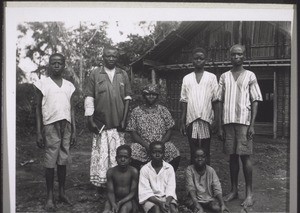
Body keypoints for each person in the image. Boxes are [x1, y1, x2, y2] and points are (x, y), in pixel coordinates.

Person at [217, 44, 263, 207]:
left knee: (245, 157)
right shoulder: (224, 76)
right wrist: (220, 126)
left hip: (244, 122)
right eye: (233, 55)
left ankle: (249, 194)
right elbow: (220, 101)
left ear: (244, 56)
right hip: (228, 122)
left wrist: (252, 125)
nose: (236, 57)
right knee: (232, 157)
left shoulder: (250, 75)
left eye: (239, 55)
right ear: (230, 57)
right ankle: (234, 190)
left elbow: (255, 100)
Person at [84, 46, 132, 189]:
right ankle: (102, 183)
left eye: (114, 56)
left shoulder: (123, 74)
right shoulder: (95, 74)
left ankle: (118, 184)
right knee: (103, 154)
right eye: (108, 56)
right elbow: (89, 97)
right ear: (103, 57)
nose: (111, 59)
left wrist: (124, 119)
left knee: (119, 154)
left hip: (118, 123)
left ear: (117, 58)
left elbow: (128, 98)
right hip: (101, 123)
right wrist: (90, 119)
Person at [34, 53, 76, 211]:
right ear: (49, 65)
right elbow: (38, 108)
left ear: (64, 65)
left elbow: (71, 109)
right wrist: (38, 132)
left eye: (60, 63)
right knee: (51, 161)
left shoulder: (69, 85)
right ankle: (50, 196)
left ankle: (62, 193)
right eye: (53, 63)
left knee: (63, 160)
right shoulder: (42, 83)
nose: (56, 65)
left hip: (66, 125)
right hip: (50, 126)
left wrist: (74, 131)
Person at [126, 84, 180, 171]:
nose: (151, 96)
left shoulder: (163, 110)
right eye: (148, 94)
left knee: (172, 150)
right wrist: (146, 145)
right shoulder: (136, 111)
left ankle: (166, 176)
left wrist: (161, 145)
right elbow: (133, 132)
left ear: (157, 96)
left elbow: (169, 129)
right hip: (143, 146)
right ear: (144, 96)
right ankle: (140, 176)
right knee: (133, 150)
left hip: (161, 145)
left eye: (154, 94)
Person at [179, 47, 218, 165]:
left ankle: (206, 178)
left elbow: (215, 100)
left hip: (207, 119)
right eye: (196, 58)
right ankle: (194, 179)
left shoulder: (211, 77)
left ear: (205, 60)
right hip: (191, 119)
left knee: (205, 150)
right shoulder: (187, 78)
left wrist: (216, 120)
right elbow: (184, 100)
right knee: (193, 150)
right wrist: (182, 121)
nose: (198, 61)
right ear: (192, 60)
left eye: (201, 58)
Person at [139, 141, 178, 213]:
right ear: (150, 153)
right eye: (154, 152)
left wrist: (167, 202)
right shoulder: (145, 169)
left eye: (160, 152)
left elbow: (171, 188)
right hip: (151, 199)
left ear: (163, 154)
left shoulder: (169, 168)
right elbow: (145, 191)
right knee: (156, 210)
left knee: (172, 210)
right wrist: (159, 203)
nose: (157, 155)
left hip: (167, 198)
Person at [185, 148, 228, 213]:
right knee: (197, 210)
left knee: (218, 208)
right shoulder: (189, 170)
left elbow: (217, 188)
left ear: (206, 158)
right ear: (193, 158)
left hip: (208, 199)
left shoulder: (211, 170)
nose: (200, 159)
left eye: (202, 157)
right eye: (196, 157)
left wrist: (222, 204)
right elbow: (190, 187)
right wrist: (197, 204)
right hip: (194, 199)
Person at [103, 145, 139, 213]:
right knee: (106, 211)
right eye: (120, 157)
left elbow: (132, 193)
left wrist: (120, 202)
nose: (123, 159)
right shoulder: (111, 172)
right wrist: (113, 204)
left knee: (123, 210)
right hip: (113, 198)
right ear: (116, 158)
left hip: (128, 200)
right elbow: (110, 192)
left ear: (130, 159)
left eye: (125, 157)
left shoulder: (133, 172)